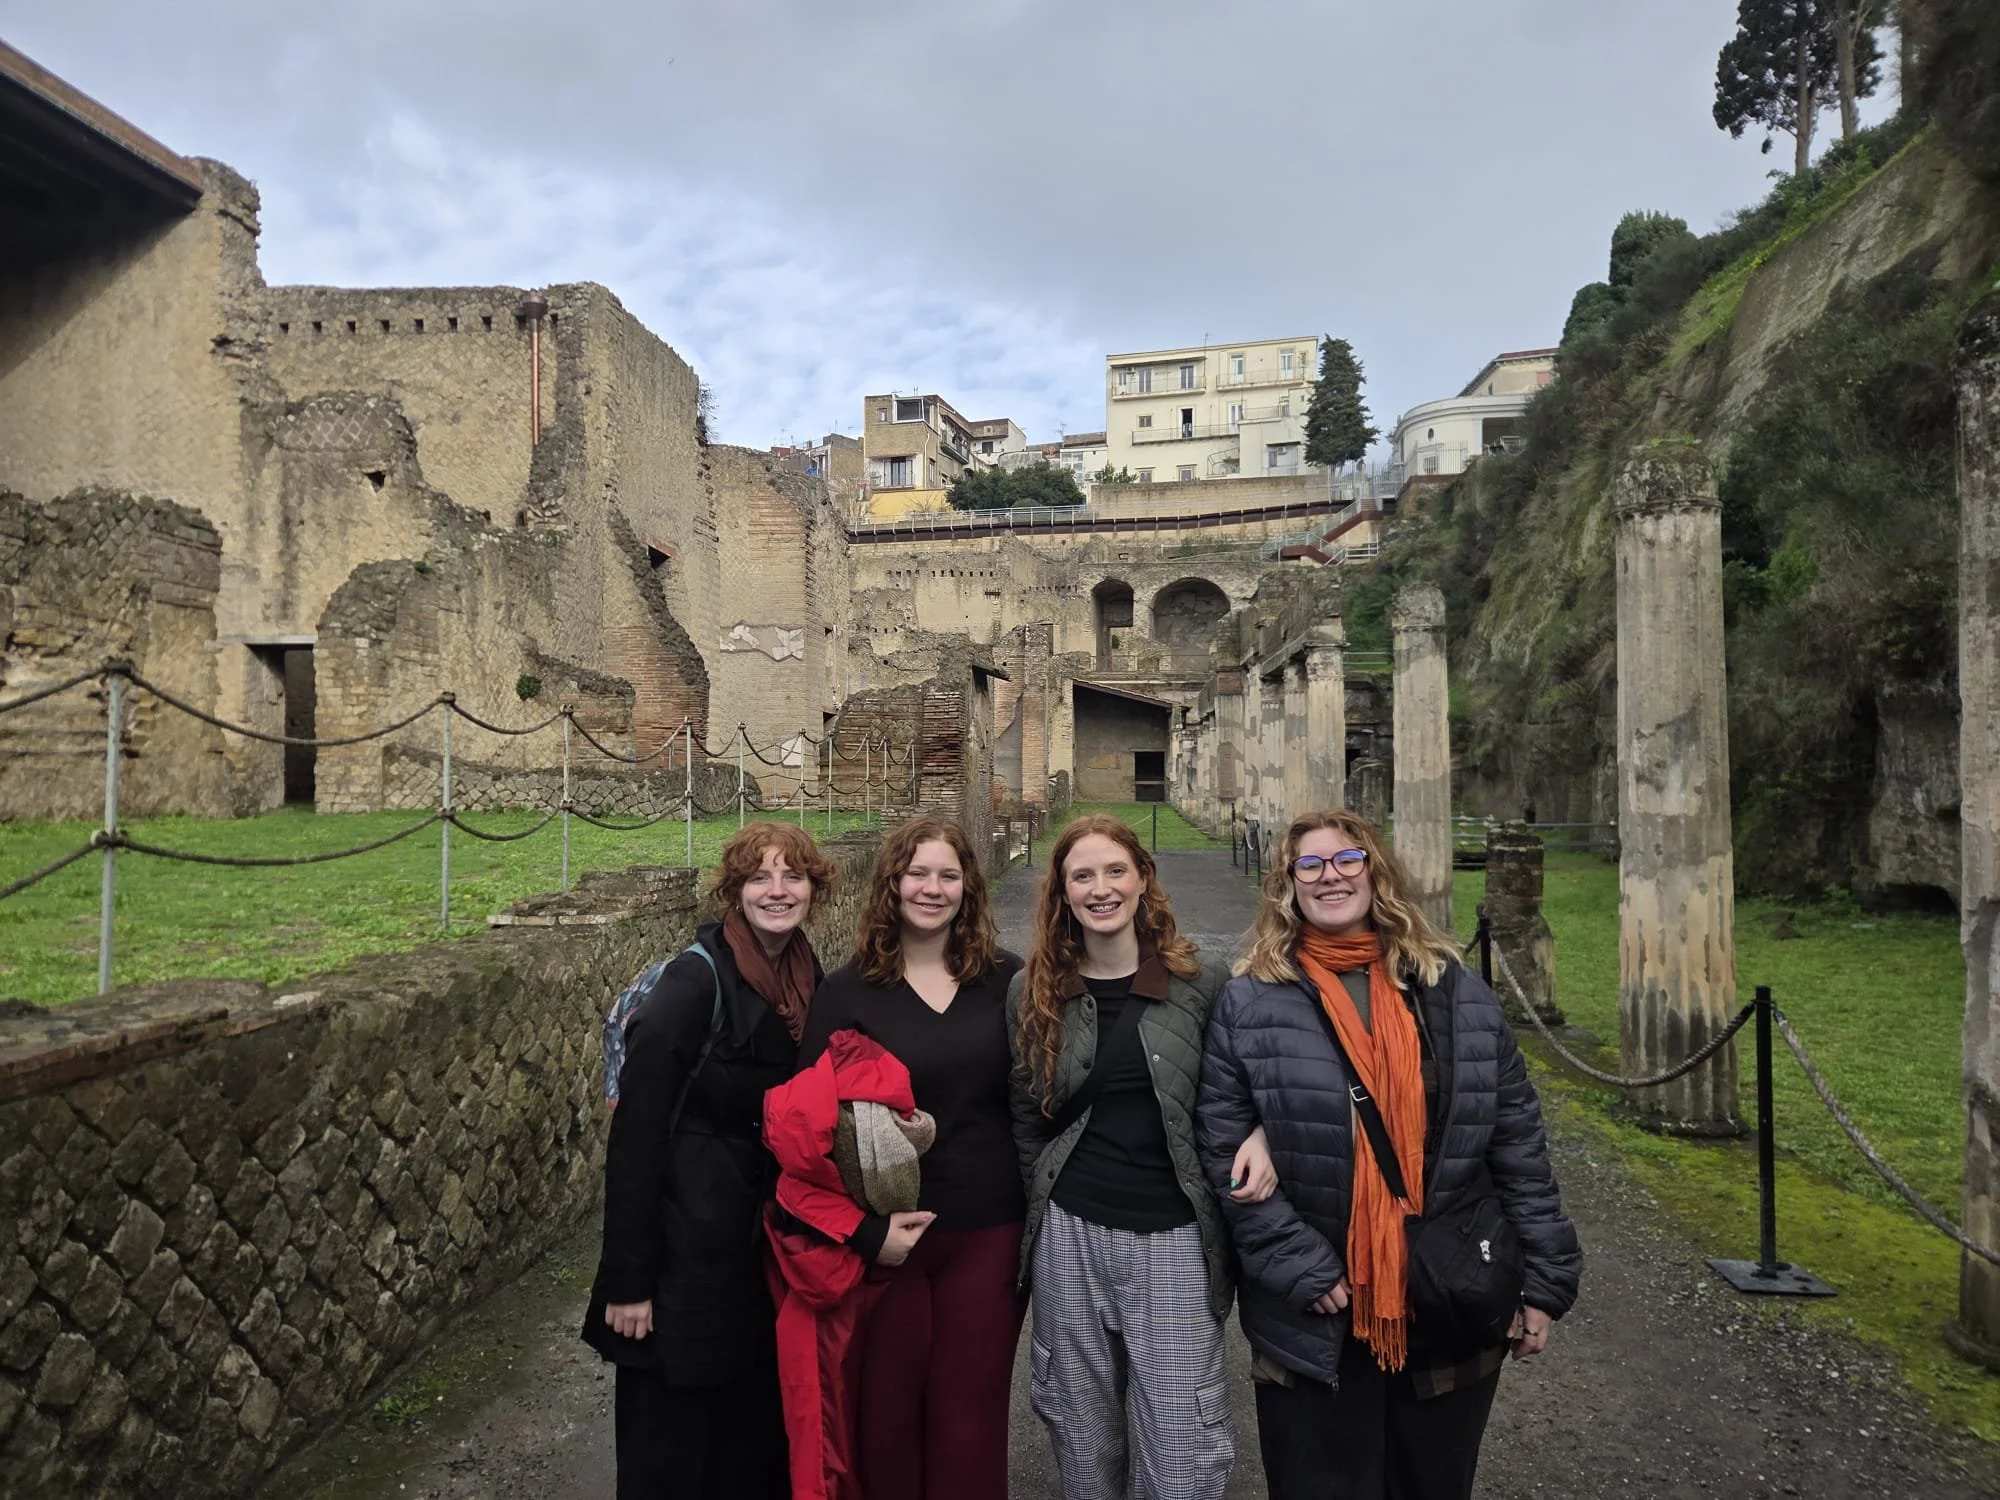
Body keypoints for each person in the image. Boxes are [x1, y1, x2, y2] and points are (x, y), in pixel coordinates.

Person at [1197, 809, 1582, 1500]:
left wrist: (1547, 1279)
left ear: (1376, 871)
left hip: (1446, 1288)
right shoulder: (1250, 999)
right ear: (1287, 884)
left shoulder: (1453, 990)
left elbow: (1515, 1139)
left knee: (1431, 1485)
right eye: (1309, 865)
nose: (1330, 877)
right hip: (1316, 1307)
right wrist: (1297, 1265)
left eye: (1348, 860)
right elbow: (1221, 1143)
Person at [1008, 813, 1276, 1500]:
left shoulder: (1202, 981)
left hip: (1173, 1238)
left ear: (1142, 879)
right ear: (1063, 893)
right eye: (1082, 876)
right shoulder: (1034, 990)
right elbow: (1025, 1112)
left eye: (1115, 870)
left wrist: (1263, 1133)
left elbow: (1254, 1079)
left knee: (1183, 1446)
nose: (1101, 888)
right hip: (1070, 1237)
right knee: (1082, 1435)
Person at [582, 821, 837, 1500]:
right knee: (670, 1453)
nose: (777, 891)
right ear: (734, 891)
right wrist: (628, 1282)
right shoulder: (695, 986)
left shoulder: (806, 976)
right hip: (681, 1258)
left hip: (755, 1252)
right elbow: (635, 1136)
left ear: (814, 888)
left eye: (792, 876)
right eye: (759, 878)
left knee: (747, 1446)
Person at [798, 817, 1023, 1500]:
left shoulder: (1007, 980)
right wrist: (865, 1235)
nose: (932, 888)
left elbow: (1047, 1092)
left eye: (948, 875)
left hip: (987, 1227)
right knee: (887, 1415)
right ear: (891, 885)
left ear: (969, 888)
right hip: (888, 1238)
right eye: (917, 874)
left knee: (970, 1415)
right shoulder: (847, 992)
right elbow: (807, 1131)